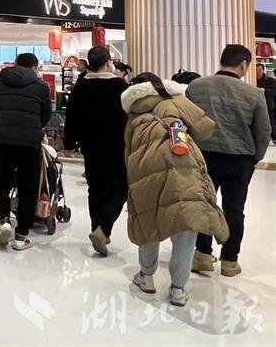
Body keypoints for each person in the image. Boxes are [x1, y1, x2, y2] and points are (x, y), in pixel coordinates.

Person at [122, 72, 228, 307]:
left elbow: (128, 148)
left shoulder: (134, 111)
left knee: (148, 219)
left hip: (144, 168)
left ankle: (146, 276)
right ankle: (178, 289)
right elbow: (206, 128)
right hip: (183, 165)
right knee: (186, 221)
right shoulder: (176, 100)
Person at [186, 44, 271, 276]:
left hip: (203, 157)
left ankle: (202, 255)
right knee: (234, 210)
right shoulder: (254, 94)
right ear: (243, 64)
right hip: (239, 160)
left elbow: (187, 122)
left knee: (203, 206)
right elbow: (263, 131)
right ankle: (230, 261)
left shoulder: (196, 87)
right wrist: (255, 158)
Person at [63, 46, 130, 255]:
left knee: (96, 188)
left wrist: (69, 142)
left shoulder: (81, 85)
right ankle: (104, 229)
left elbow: (71, 115)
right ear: (108, 62)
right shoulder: (119, 85)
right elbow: (129, 115)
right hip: (117, 145)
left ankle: (96, 228)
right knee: (120, 189)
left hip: (90, 145)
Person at [0, 52, 52, 251]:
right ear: (34, 67)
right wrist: (35, 128)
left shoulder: (0, 82)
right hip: (29, 144)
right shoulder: (41, 86)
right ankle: (21, 236)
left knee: (1, 183)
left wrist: (4, 124)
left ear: (16, 64)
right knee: (27, 189)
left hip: (3, 141)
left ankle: (4, 220)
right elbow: (46, 114)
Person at [255, 63, 276, 142]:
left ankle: (274, 137)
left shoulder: (270, 80)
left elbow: (274, 91)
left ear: (263, 70)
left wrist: (265, 90)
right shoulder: (253, 80)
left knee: (270, 121)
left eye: (259, 70)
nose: (258, 72)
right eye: (256, 70)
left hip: (268, 104)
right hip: (256, 104)